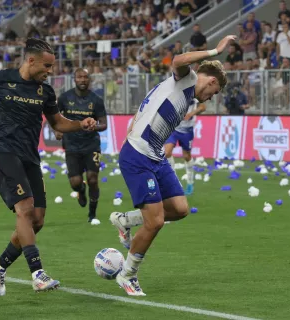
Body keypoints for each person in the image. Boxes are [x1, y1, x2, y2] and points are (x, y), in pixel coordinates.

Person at [0, 38, 96, 296]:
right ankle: (37, 273)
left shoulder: (45, 92)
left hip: (30, 157)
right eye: (46, 66)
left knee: (37, 221)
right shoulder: (1, 79)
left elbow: (57, 123)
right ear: (31, 60)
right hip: (4, 151)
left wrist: (80, 124)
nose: (50, 71)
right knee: (24, 209)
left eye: (52, 67)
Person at [109, 35, 235, 296]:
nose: (210, 99)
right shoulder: (185, 79)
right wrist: (216, 50)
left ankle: (124, 220)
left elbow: (150, 104)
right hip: (138, 156)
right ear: (212, 81)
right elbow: (177, 60)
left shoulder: (186, 95)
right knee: (154, 223)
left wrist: (135, 120)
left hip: (156, 156)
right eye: (215, 92)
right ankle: (128, 274)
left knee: (179, 209)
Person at [54, 68, 107, 225]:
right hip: (71, 145)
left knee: (92, 179)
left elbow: (104, 124)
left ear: (89, 80)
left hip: (91, 145)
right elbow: (54, 117)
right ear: (74, 79)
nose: (83, 80)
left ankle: (92, 214)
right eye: (79, 77)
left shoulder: (96, 100)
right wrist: (57, 129)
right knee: (75, 182)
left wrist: (94, 127)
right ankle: (80, 191)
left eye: (85, 77)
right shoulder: (64, 98)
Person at [163, 101, 207, 195]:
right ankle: (174, 182)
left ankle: (190, 183)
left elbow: (203, 107)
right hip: (173, 128)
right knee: (167, 152)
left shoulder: (194, 93)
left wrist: (191, 113)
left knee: (187, 156)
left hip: (187, 131)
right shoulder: (177, 93)